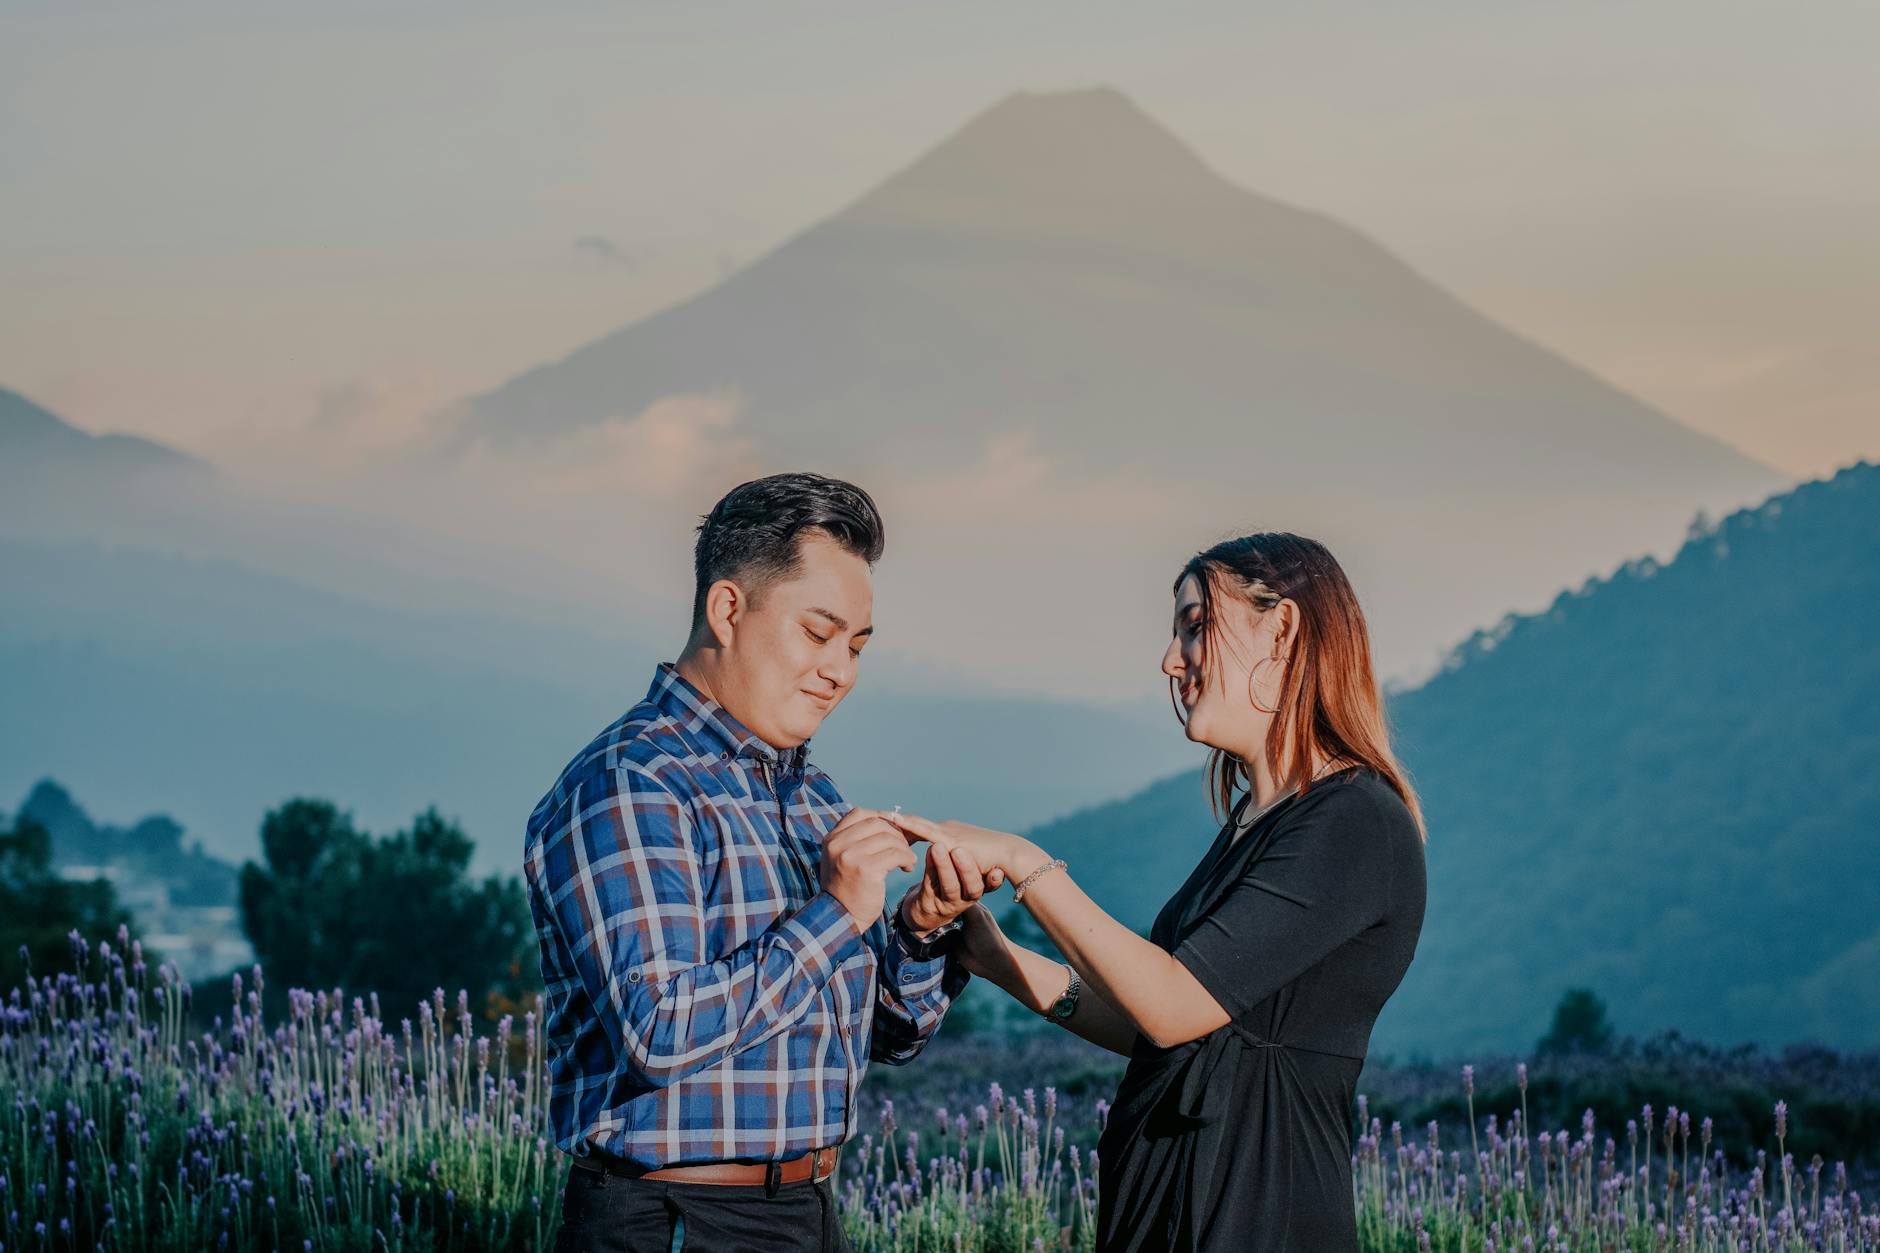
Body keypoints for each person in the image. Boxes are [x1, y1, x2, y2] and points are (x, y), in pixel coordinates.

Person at [890, 532, 1428, 1252]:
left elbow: (1174, 1006)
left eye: (1197, 625)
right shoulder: (1253, 823)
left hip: (1258, 1213)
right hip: (1171, 1211)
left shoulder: (1355, 821)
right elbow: (1155, 1022)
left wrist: (1025, 861)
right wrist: (996, 957)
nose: (1172, 660)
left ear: (1284, 629)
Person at [527, 472, 998, 1253]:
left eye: (856, 645)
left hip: (806, 1210)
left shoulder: (814, 794)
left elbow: (882, 1035)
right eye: (818, 633)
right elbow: (659, 1033)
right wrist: (839, 911)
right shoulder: (630, 783)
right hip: (674, 1218)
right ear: (728, 609)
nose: (840, 670)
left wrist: (918, 931)